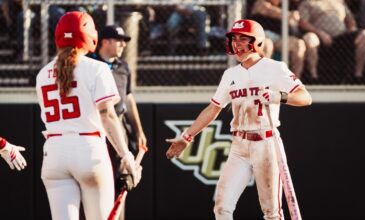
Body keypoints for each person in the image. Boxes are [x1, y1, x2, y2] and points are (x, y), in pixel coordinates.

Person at [166, 19, 312, 220]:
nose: (237, 44)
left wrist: (280, 96)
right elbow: (213, 108)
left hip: (266, 142)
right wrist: (187, 136)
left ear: (258, 42)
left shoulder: (275, 68)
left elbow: (306, 97)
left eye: (244, 39)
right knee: (222, 207)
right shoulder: (230, 74)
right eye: (234, 39)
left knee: (272, 212)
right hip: (239, 146)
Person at [35, 11, 142, 220]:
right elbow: (107, 116)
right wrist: (126, 155)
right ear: (88, 35)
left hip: (53, 154)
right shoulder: (97, 69)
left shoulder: (42, 74)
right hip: (89, 150)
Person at [87, 25, 148, 220]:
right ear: (105, 41)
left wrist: (139, 131)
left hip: (119, 126)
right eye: (119, 39)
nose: (123, 44)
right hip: (95, 127)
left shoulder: (123, 66)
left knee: (122, 180)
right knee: (94, 181)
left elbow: (128, 98)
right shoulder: (89, 65)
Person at [298, 0, 365, 82]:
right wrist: (320, 33)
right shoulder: (308, 3)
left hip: (341, 37)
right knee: (310, 38)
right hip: (319, 37)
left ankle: (358, 76)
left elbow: (350, 20)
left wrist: (352, 30)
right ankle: (314, 77)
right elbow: (303, 23)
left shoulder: (339, 2)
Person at [250, 0, 320, 80]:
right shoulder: (260, 3)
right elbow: (268, 10)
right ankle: (264, 81)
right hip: (262, 37)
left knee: (299, 44)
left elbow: (295, 21)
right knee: (267, 45)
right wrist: (289, 15)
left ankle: (294, 82)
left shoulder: (286, 6)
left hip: (278, 39)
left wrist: (292, 18)